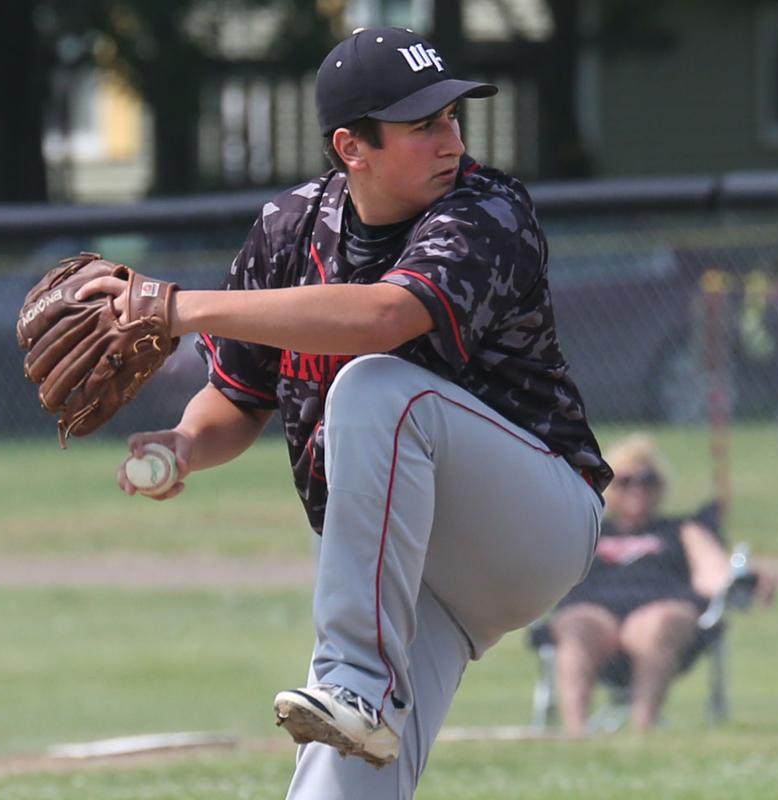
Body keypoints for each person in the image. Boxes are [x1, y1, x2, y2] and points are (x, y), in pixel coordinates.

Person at [75, 26, 611, 800]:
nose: (449, 138)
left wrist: (176, 306)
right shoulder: (289, 230)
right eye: (422, 123)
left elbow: (382, 320)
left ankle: (358, 680)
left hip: (534, 522)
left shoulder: (488, 209)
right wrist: (186, 444)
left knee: (372, 387)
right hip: (414, 583)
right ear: (350, 147)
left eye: (452, 117)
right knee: (336, 782)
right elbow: (236, 396)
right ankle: (359, 692)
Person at [548, 434, 775, 736]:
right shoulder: (588, 530)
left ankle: (642, 731)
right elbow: (549, 567)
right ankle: (575, 736)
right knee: (576, 623)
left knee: (659, 622)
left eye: (648, 480)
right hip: (596, 613)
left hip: (663, 611)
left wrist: (748, 577)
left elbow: (715, 573)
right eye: (626, 480)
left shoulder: (683, 529)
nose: (638, 489)